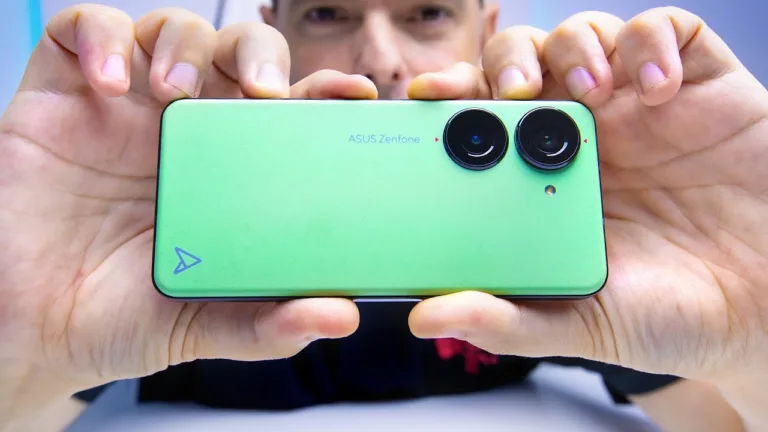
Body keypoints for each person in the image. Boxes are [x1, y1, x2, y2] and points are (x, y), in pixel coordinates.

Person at [0, 0, 766, 430]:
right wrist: (21, 339)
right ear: (273, 26)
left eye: (427, 12)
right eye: (327, 12)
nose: (379, 56)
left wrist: (754, 332)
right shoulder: (172, 222)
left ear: (487, 30)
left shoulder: (537, 238)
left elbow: (727, 419)